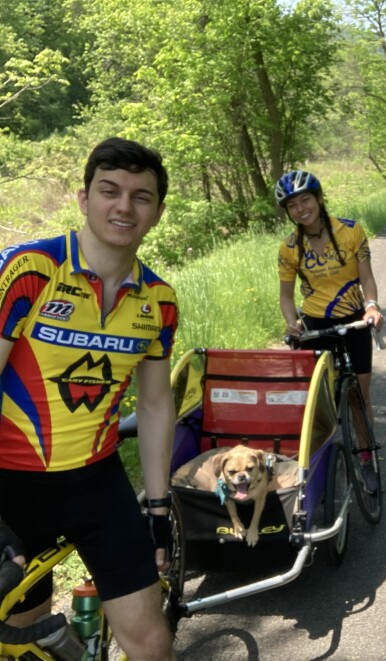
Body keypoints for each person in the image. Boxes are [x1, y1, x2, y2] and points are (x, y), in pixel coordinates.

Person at [0, 138, 178, 659]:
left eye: (141, 197)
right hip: (10, 489)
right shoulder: (32, 269)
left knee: (151, 644)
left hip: (98, 487)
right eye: (110, 191)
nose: (124, 206)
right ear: (83, 198)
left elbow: (154, 405)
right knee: (25, 635)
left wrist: (161, 506)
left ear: (158, 213)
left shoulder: (158, 300)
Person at [275, 169, 383, 492]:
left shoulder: (351, 231)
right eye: (292, 205)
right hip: (316, 326)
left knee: (359, 399)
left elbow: (366, 277)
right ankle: (317, 464)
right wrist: (291, 321)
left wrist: (373, 305)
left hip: (353, 321)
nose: (300, 208)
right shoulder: (289, 247)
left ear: (319, 198)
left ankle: (366, 459)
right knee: (316, 404)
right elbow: (285, 296)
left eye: (305, 199)